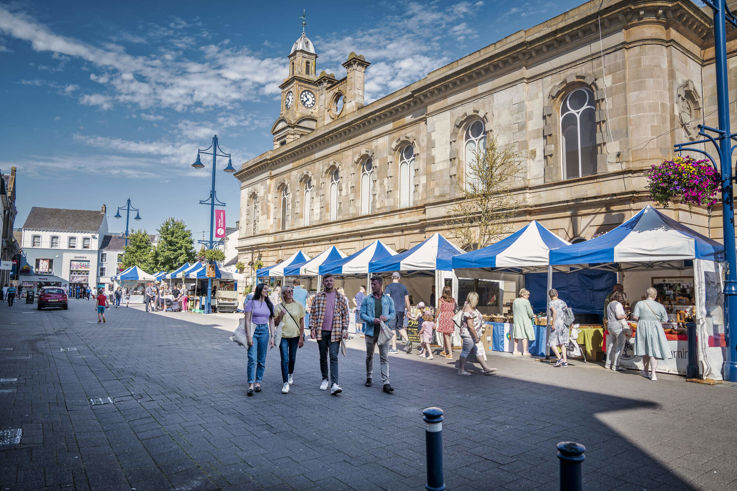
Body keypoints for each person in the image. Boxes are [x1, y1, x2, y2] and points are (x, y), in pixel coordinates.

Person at [309, 274, 350, 395]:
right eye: (326, 281)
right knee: (323, 356)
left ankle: (334, 384)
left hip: (335, 331)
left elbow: (345, 315)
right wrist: (312, 327)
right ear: (323, 283)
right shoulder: (318, 297)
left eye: (331, 281)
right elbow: (312, 313)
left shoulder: (340, 297)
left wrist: (345, 329)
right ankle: (325, 379)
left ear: (334, 282)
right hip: (321, 331)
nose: (329, 283)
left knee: (333, 356)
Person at [360, 275, 396, 393]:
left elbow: (393, 314)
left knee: (384, 357)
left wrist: (386, 317)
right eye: (372, 284)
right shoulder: (367, 299)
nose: (372, 286)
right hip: (370, 332)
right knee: (369, 355)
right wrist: (371, 319)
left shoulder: (388, 299)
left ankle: (386, 382)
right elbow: (362, 314)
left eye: (374, 284)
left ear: (380, 285)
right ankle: (369, 377)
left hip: (383, 332)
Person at [632, 287, 671, 381]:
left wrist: (644, 319)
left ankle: (645, 371)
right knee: (654, 351)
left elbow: (635, 317)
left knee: (645, 349)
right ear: (655, 295)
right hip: (655, 328)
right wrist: (656, 322)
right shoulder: (660, 306)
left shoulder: (640, 304)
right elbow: (665, 320)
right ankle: (653, 373)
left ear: (646, 294)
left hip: (643, 327)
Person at [244, 283, 275, 396]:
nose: (267, 291)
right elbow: (247, 320)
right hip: (254, 331)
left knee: (261, 359)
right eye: (265, 289)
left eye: (268, 289)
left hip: (265, 332)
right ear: (260, 290)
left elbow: (271, 321)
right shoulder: (251, 303)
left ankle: (258, 382)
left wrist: (272, 337)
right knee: (252, 358)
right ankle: (251, 384)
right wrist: (248, 336)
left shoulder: (269, 304)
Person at [274, 285, 306, 394]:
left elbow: (302, 322)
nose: (291, 293)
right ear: (283, 294)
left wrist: (301, 337)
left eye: (292, 291)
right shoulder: (278, 307)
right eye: (288, 291)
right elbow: (275, 323)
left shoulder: (299, 305)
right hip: (283, 336)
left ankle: (290, 373)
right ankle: (285, 383)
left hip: (295, 336)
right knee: (285, 359)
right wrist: (280, 316)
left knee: (292, 358)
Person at [457, 292, 496, 375]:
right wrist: (476, 336)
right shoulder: (469, 309)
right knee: (465, 352)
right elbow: (470, 325)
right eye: (477, 299)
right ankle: (461, 370)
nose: (478, 300)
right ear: (474, 299)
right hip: (469, 335)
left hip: (472, 335)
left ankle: (485, 368)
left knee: (478, 352)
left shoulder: (471, 307)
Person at [385, 272, 411, 353]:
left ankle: (394, 348)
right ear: (399, 278)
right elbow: (407, 300)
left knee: (392, 328)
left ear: (392, 278)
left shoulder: (389, 287)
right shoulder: (403, 287)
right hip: (401, 310)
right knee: (400, 327)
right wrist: (409, 310)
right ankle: (407, 340)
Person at [605, 291, 628, 371]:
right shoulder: (618, 304)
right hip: (618, 326)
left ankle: (608, 363)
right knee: (620, 346)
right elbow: (618, 316)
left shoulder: (609, 304)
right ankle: (616, 365)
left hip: (610, 326)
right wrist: (625, 315)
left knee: (611, 345)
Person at [548, 289, 569, 367]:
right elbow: (567, 312)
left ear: (550, 296)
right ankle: (565, 361)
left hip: (557, 323)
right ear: (557, 294)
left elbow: (554, 312)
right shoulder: (563, 302)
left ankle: (559, 358)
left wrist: (553, 323)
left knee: (551, 342)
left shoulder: (551, 303)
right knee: (562, 342)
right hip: (564, 323)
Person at [512, 288, 536, 356]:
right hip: (525, 320)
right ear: (523, 295)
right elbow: (530, 312)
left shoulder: (515, 301)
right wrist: (533, 315)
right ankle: (525, 351)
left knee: (516, 335)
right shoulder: (526, 301)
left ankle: (515, 350)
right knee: (524, 335)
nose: (528, 296)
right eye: (527, 295)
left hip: (516, 319)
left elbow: (513, 310)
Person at [435, 286, 456, 359]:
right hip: (451, 316)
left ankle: (450, 353)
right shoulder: (453, 300)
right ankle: (444, 350)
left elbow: (439, 309)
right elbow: (454, 308)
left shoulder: (441, 300)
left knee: (446, 335)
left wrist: (435, 318)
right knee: (446, 334)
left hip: (444, 317)